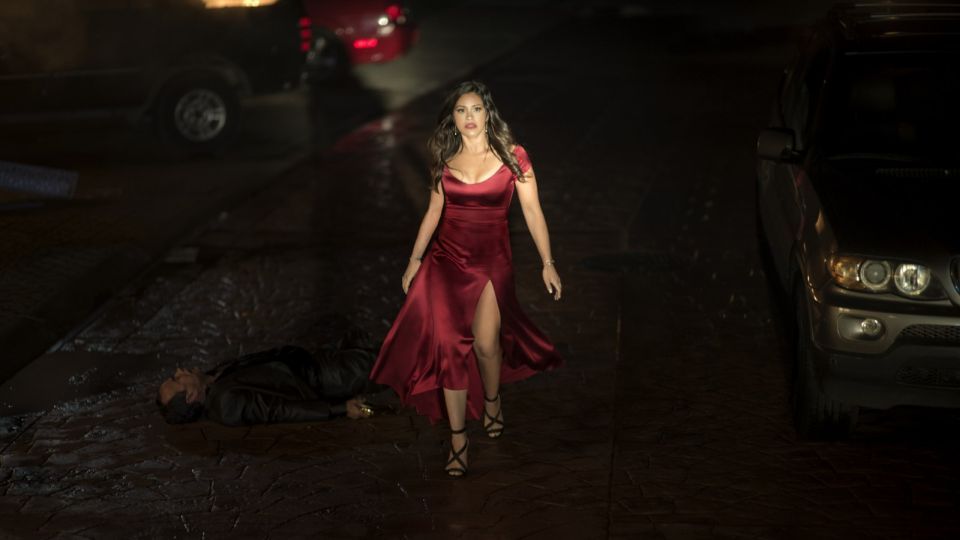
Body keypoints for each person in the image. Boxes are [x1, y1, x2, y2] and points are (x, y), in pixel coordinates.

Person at [369, 80, 564, 477]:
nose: (469, 116)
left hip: (492, 262)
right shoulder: (445, 157)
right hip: (446, 261)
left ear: (488, 114)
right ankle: (458, 439)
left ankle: (492, 399)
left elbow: (532, 211)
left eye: (476, 109)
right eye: (461, 110)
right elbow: (433, 211)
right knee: (449, 347)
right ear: (453, 119)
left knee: (487, 345)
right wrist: (415, 258)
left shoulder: (513, 156)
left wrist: (548, 261)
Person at [156, 328, 386, 426]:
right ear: (190, 396)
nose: (178, 372)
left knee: (388, 349)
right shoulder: (226, 404)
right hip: (328, 376)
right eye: (176, 380)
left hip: (317, 360)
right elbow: (279, 410)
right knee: (394, 360)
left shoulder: (212, 377)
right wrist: (341, 409)